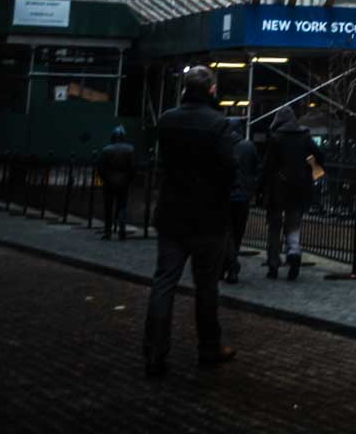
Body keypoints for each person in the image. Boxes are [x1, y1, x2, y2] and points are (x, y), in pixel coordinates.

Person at [142, 66, 237, 378]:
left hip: (172, 214)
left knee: (164, 282)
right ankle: (209, 347)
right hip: (208, 218)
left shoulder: (168, 120)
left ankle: (155, 351)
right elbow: (229, 170)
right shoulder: (219, 124)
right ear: (211, 90)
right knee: (206, 286)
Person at [263, 105, 320, 281]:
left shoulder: (275, 137)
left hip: (278, 188)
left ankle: (273, 264)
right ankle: (294, 251)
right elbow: (318, 156)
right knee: (293, 224)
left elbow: (268, 166)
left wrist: (260, 189)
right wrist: (312, 172)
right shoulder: (305, 136)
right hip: (299, 188)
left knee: (274, 227)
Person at [223, 118, 261, 283]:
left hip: (225, 195)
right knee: (237, 233)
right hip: (243, 196)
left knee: (226, 232)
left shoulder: (222, 145)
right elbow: (255, 169)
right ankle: (231, 264)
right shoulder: (248, 146)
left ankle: (229, 265)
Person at [96, 125, 136, 240]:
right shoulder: (130, 149)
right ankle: (121, 230)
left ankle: (108, 232)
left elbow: (100, 169)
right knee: (122, 206)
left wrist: (106, 179)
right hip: (123, 183)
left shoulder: (106, 150)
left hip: (109, 183)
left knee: (108, 207)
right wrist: (128, 180)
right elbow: (133, 168)